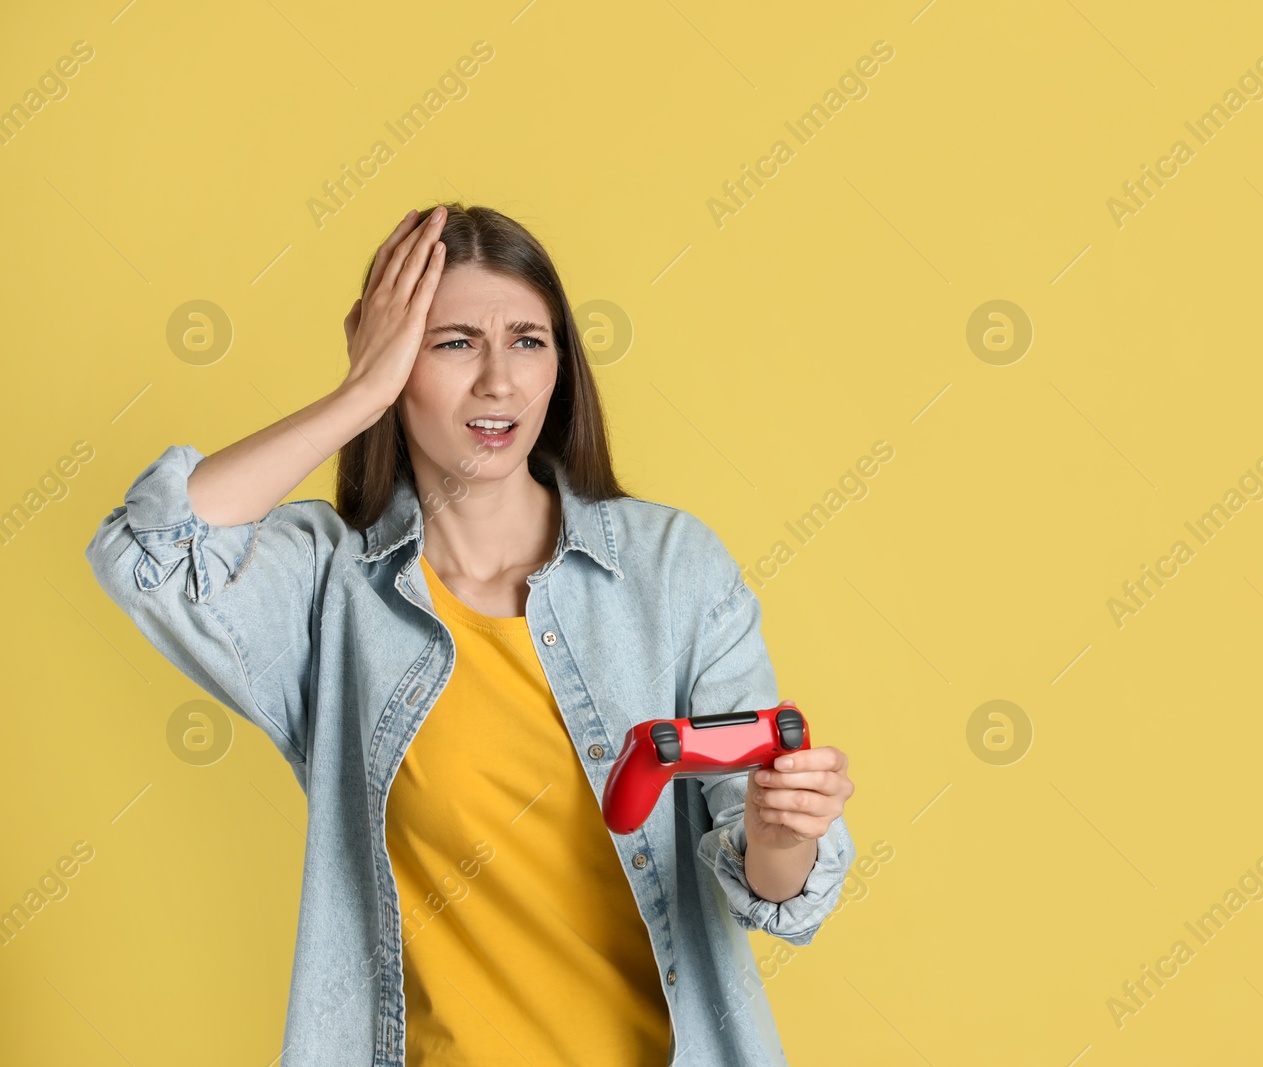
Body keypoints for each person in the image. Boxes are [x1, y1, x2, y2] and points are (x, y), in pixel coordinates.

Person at [83, 203, 857, 1065]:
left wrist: (785, 833)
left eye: (529, 340)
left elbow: (778, 892)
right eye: (453, 343)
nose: (500, 381)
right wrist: (358, 395)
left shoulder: (672, 569)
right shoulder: (329, 586)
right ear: (392, 355)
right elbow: (147, 552)